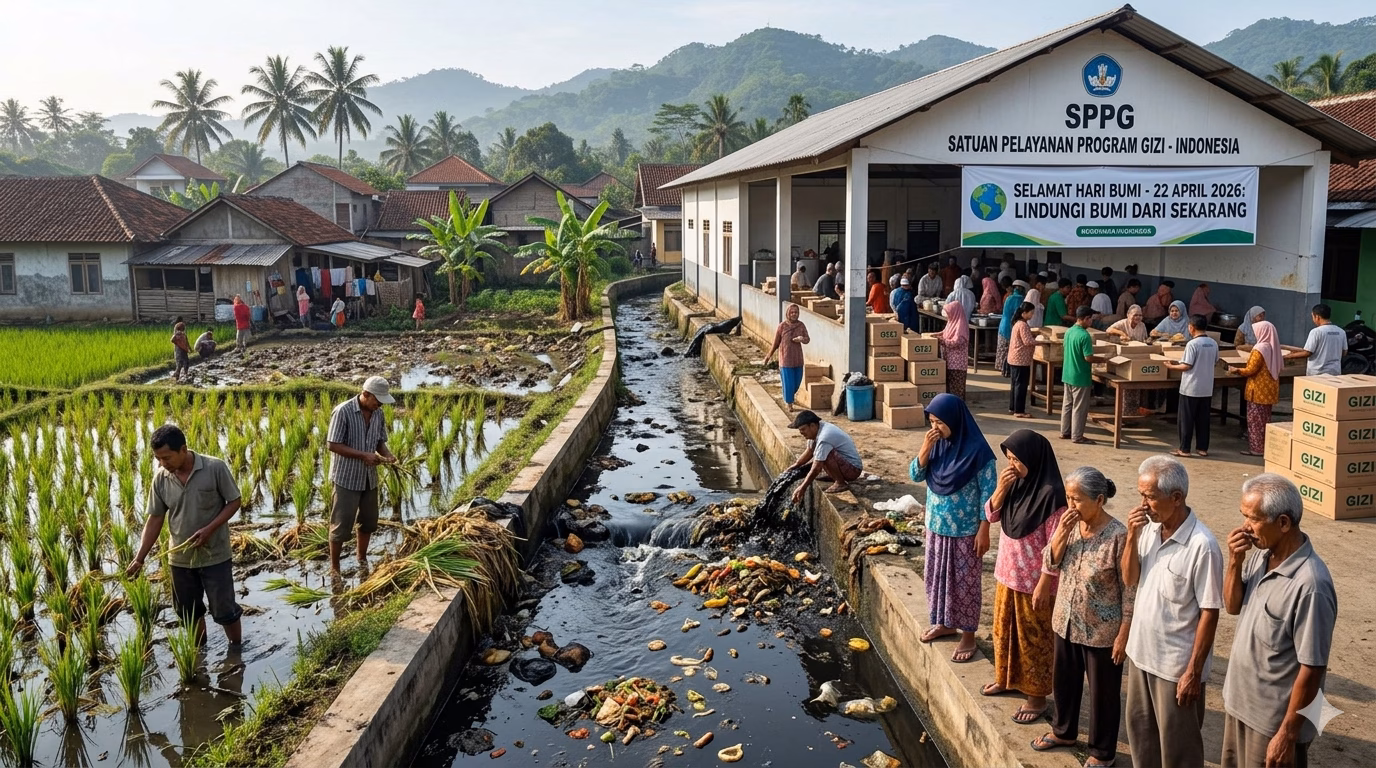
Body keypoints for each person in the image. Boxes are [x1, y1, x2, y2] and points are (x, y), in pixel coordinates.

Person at [1221, 474, 1337, 768]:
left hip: (1273, 723)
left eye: (1253, 518)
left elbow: (1312, 669)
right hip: (1240, 705)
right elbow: (1233, 606)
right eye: (1243, 516)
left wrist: (1287, 734)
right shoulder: (1263, 555)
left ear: (1283, 523)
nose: (1244, 527)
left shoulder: (1311, 585)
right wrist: (1235, 561)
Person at [1121, 455, 1223, 768]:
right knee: (1143, 742)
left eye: (1149, 496)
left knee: (1178, 752)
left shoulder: (1202, 545)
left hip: (1174, 668)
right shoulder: (1149, 530)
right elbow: (1130, 578)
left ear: (1176, 498)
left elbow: (1210, 612)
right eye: (1141, 495)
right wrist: (1131, 537)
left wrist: (1193, 671)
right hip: (1141, 656)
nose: (1143, 504)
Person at [1032, 466, 1132, 766]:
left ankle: (1102, 752)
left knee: (1103, 693)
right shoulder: (1069, 527)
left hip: (1102, 630)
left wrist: (1124, 631)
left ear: (1099, 500)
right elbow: (1050, 560)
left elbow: (1130, 587)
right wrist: (1061, 531)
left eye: (1077, 499)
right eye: (1068, 497)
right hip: (1065, 619)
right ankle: (1064, 732)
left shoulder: (1119, 537)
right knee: (1064, 681)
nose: (1071, 504)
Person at [125, 425, 243, 646]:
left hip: (215, 555)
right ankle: (200, 653)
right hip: (180, 560)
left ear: (183, 449)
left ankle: (236, 652)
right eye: (158, 459)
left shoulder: (214, 467)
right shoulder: (161, 478)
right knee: (190, 612)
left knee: (225, 609)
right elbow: (155, 519)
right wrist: (139, 558)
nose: (162, 463)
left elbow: (234, 501)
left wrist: (209, 529)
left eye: (167, 457)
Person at [982, 430, 1064, 724]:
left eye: (1017, 459)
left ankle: (1036, 697)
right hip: (1007, 575)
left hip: (1034, 584)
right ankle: (1005, 679)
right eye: (1009, 459)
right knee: (1003, 633)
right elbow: (991, 515)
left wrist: (1046, 580)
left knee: (1033, 640)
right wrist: (1001, 491)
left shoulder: (1052, 495)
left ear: (1034, 459)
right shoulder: (1015, 486)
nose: (1012, 465)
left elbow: (1056, 545)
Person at [910, 394, 997, 664]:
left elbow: (990, 495)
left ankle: (968, 634)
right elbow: (915, 474)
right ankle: (944, 623)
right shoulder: (936, 445)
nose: (935, 427)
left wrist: (985, 529)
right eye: (932, 422)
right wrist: (924, 449)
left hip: (966, 530)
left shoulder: (979, 452)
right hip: (936, 526)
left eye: (940, 422)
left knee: (965, 584)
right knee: (937, 578)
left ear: (955, 420)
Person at [327, 377, 398, 574]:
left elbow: (379, 442)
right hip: (346, 477)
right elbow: (333, 444)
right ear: (365, 394)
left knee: (368, 521)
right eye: (378, 400)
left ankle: (361, 558)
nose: (380, 404)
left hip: (369, 478)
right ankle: (335, 568)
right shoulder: (343, 411)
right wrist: (363, 456)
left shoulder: (378, 414)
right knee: (341, 525)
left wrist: (387, 455)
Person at [1165, 315, 1219, 458]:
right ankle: (1202, 448)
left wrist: (1171, 366)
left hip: (1191, 387)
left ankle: (1185, 449)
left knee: (1186, 420)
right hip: (1206, 387)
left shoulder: (1192, 344)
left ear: (1191, 327)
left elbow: (1187, 365)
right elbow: (1215, 361)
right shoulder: (1213, 343)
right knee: (1203, 419)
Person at [1230, 319, 1283, 457]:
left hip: (1258, 389)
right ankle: (1265, 447)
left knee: (1255, 420)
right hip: (1270, 388)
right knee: (1265, 420)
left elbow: (1251, 370)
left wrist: (1237, 370)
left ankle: (1256, 449)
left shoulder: (1260, 349)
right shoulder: (1273, 346)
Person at [787, 410, 862, 500]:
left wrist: (802, 487)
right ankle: (834, 476)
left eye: (803, 429)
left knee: (825, 454)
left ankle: (840, 482)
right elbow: (810, 451)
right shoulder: (817, 430)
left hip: (853, 470)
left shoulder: (824, 437)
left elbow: (817, 467)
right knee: (821, 453)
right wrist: (795, 466)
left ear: (812, 426)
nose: (801, 433)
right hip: (845, 465)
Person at [1060, 307, 1102, 445]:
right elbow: (1088, 358)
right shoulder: (1084, 336)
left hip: (1067, 373)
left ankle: (1065, 431)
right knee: (1079, 407)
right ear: (1085, 319)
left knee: (1067, 405)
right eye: (1090, 319)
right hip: (1080, 376)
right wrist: (1104, 360)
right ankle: (1077, 436)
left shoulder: (1069, 332)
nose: (1091, 322)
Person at [1107, 305, 1151, 416]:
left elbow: (1144, 339)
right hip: (1123, 357)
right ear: (1128, 315)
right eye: (1135, 315)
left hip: (1137, 357)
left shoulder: (1142, 325)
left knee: (1139, 385)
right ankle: (1126, 414)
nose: (1138, 317)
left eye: (1140, 315)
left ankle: (1135, 411)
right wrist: (1122, 334)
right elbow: (1108, 330)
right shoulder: (1122, 323)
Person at [766, 303, 810, 411]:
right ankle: (789, 403)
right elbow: (776, 343)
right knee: (788, 383)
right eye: (792, 312)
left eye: (796, 312)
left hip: (797, 358)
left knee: (796, 383)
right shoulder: (782, 326)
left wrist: (802, 339)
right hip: (785, 359)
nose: (794, 314)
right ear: (788, 314)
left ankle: (788, 396)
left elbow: (807, 339)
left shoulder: (801, 325)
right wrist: (769, 355)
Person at [1290, 303, 1347, 376]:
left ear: (1317, 317)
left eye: (1312, 316)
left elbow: (1307, 352)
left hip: (1317, 373)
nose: (1313, 319)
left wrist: (1287, 356)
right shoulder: (1341, 331)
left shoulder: (1316, 332)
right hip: (1335, 372)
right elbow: (1344, 352)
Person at [1007, 302, 1036, 417]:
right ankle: (1019, 411)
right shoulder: (1023, 325)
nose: (1032, 315)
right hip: (1021, 360)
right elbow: (1028, 341)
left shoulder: (1017, 323)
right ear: (1024, 313)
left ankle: (1013, 408)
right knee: (1021, 385)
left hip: (1015, 359)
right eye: (1031, 313)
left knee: (1015, 384)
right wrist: (1042, 342)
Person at [995, 280, 1027, 376]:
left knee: (1003, 348)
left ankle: (1002, 368)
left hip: (1003, 325)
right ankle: (1007, 370)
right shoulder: (1020, 299)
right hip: (1011, 325)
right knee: (1010, 349)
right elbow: (1017, 314)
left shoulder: (1009, 297)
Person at [939, 299, 970, 399]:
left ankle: (957, 409)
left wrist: (942, 341)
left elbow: (956, 342)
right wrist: (934, 335)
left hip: (957, 364)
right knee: (949, 388)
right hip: (949, 361)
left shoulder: (961, 326)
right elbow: (944, 332)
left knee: (956, 389)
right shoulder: (951, 322)